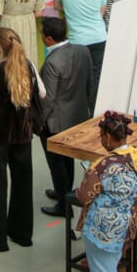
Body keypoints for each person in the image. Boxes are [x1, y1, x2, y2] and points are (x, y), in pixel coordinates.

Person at [0, 26, 36, 251]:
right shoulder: (28, 66)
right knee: (23, 183)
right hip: (22, 134)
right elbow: (42, 93)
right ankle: (22, 233)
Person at [76, 112, 137, 272]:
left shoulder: (101, 166)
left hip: (103, 230)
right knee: (104, 269)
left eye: (101, 137)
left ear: (108, 137)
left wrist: (86, 175)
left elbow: (84, 197)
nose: (101, 141)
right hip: (128, 226)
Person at [38, 17, 94, 218]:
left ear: (50, 39)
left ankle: (63, 205)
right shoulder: (82, 50)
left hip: (56, 122)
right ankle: (64, 192)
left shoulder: (52, 62)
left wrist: (39, 123)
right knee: (67, 160)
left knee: (57, 165)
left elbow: (48, 99)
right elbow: (90, 82)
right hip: (77, 116)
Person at [55, 0, 108, 101]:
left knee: (77, 78)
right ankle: (92, 111)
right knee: (95, 77)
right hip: (99, 36)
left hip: (78, 40)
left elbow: (58, 6)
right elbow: (101, 13)